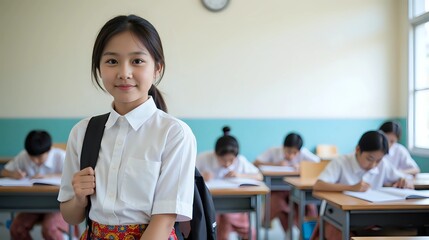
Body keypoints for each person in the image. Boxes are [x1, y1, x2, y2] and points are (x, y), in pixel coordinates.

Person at [58, 14, 197, 240]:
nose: (124, 73)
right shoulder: (83, 132)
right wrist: (79, 198)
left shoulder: (174, 134)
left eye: (137, 61)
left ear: (157, 68)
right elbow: (71, 216)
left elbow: (163, 221)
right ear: (99, 68)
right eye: (112, 61)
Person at [311, 130, 413, 240]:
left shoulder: (383, 165)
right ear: (358, 149)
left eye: (378, 160)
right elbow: (318, 185)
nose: (373, 165)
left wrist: (404, 181)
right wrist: (351, 188)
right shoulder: (341, 162)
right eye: (370, 159)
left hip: (373, 219)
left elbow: (405, 177)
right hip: (340, 217)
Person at [1, 130, 70, 240]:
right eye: (32, 157)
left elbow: (74, 174)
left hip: (58, 205)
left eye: (40, 157)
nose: (35, 160)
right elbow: (4, 171)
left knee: (50, 229)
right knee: (17, 228)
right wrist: (13, 174)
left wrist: (49, 176)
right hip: (33, 204)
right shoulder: (24, 156)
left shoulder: (61, 156)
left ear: (49, 150)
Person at [196, 126, 262, 240]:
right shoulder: (204, 158)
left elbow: (259, 176)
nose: (227, 163)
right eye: (223, 160)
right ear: (215, 154)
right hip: (210, 204)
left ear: (236, 156)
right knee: (215, 224)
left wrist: (240, 175)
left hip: (235, 205)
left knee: (247, 230)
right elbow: (187, 175)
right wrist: (201, 175)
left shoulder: (240, 161)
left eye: (231, 160)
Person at [253, 132, 320, 236]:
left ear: (299, 150)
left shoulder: (303, 153)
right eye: (288, 151)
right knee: (278, 204)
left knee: (308, 206)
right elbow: (256, 163)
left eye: (295, 153)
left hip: (297, 189)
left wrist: (302, 166)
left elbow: (318, 163)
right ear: (283, 147)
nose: (291, 155)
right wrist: (275, 164)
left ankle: (306, 232)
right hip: (278, 191)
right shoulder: (273, 151)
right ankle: (288, 231)